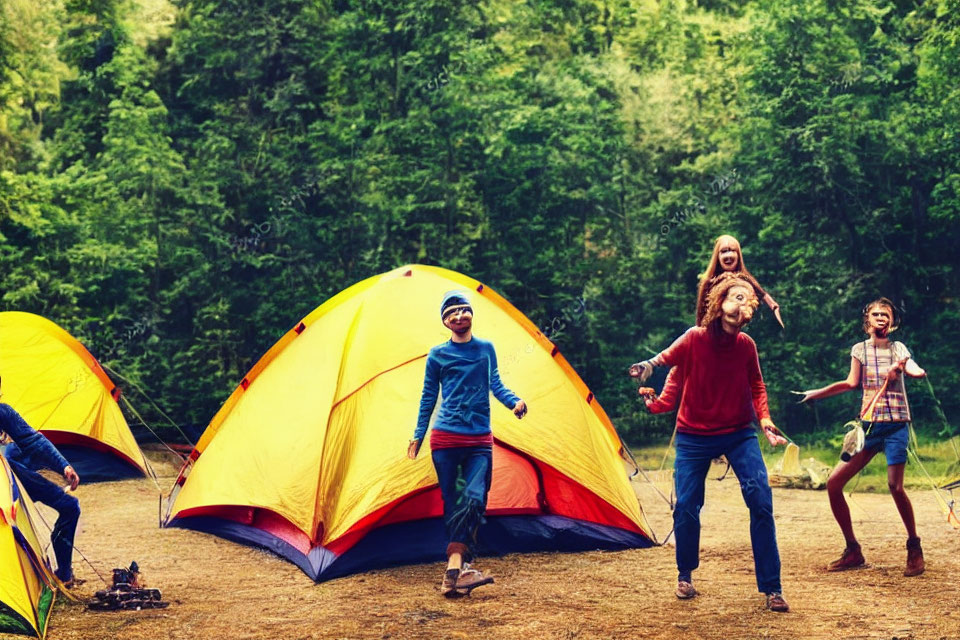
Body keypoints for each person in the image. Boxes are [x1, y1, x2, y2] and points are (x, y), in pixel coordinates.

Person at [630, 273, 791, 612]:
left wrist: (765, 421)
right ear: (719, 304)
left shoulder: (746, 345)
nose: (742, 305)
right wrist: (647, 372)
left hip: (738, 432)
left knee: (761, 499)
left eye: (748, 301)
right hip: (693, 435)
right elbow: (663, 362)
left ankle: (772, 588)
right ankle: (685, 574)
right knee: (687, 505)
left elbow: (757, 386)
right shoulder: (694, 339)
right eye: (736, 298)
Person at [408, 291, 527, 597]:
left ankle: (456, 564)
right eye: (452, 314)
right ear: (445, 322)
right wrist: (418, 436)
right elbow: (428, 397)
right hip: (445, 438)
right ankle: (458, 569)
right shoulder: (437, 355)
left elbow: (495, 383)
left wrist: (514, 402)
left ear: (471, 314)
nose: (459, 316)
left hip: (479, 440)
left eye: (463, 310)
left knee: (474, 499)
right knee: (454, 504)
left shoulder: (486, 349)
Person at [797, 297, 926, 576]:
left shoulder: (898, 348)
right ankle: (853, 550)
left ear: (892, 322)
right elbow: (850, 383)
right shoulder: (859, 350)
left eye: (886, 315)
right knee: (834, 484)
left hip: (896, 426)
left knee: (895, 486)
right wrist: (817, 394)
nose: (881, 318)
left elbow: (914, 368)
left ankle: (914, 546)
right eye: (876, 314)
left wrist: (906, 369)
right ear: (867, 321)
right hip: (868, 428)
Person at [0, 376, 82, 586]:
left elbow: (32, 440)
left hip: (9, 475)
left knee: (70, 506)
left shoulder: (3, 412)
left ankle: (64, 573)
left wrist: (63, 466)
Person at [695, 234, 782, 328]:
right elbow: (700, 312)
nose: (728, 255)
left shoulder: (743, 278)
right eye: (724, 251)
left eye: (733, 251)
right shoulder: (709, 281)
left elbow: (762, 294)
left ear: (738, 255)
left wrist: (773, 306)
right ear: (717, 256)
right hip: (710, 331)